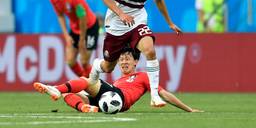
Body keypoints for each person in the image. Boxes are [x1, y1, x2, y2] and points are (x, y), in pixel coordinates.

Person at [89, 0, 182, 107]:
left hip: (137, 21)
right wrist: (121, 14)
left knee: (150, 50)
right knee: (108, 66)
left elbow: (159, 0)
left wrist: (170, 22)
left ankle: (154, 96)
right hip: (116, 25)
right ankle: (96, 67)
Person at [33, 47, 202, 113]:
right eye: (121, 59)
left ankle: (56, 88)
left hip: (118, 98)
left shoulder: (143, 76)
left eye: (127, 58)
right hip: (109, 99)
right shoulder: (119, 79)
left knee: (89, 80)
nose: (124, 62)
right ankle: (85, 107)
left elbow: (163, 94)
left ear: (136, 61)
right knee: (70, 92)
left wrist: (188, 109)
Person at [48, 0, 99, 77]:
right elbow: (60, 15)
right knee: (70, 61)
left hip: (89, 27)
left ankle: (94, 86)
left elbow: (83, 18)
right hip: (75, 29)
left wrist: (81, 40)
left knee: (84, 61)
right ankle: (86, 82)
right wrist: (66, 36)